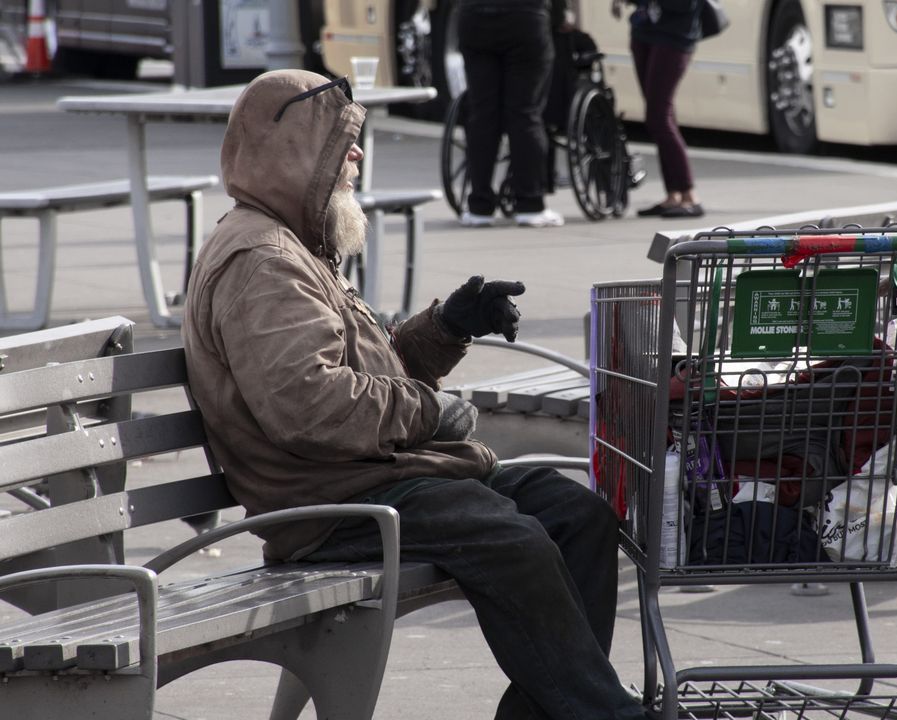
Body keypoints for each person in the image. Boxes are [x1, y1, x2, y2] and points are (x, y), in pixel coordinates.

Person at [182, 69, 647, 720]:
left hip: (376, 476)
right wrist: (432, 412)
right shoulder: (263, 260)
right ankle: (607, 714)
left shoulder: (294, 245)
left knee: (578, 515)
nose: (357, 155)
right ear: (292, 153)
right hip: (329, 504)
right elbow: (310, 406)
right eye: (341, 142)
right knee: (512, 540)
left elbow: (368, 371)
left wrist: (448, 327)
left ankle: (563, 711)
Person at [458, 0, 567, 228]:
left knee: (482, 113)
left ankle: (479, 206)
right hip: (526, 17)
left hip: (474, 18)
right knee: (525, 113)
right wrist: (558, 18)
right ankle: (530, 204)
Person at [615, 0, 704, 218]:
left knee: (658, 117)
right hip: (644, 32)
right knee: (662, 116)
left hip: (674, 36)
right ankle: (674, 194)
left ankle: (689, 194)